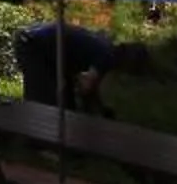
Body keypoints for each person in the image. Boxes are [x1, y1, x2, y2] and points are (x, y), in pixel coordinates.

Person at [16, 21, 152, 115]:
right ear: (129, 62)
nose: (127, 74)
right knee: (43, 99)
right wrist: (97, 110)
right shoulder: (107, 57)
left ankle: (64, 137)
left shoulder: (107, 48)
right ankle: (37, 144)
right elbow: (84, 88)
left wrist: (98, 105)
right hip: (32, 44)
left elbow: (87, 83)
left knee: (66, 100)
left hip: (49, 47)